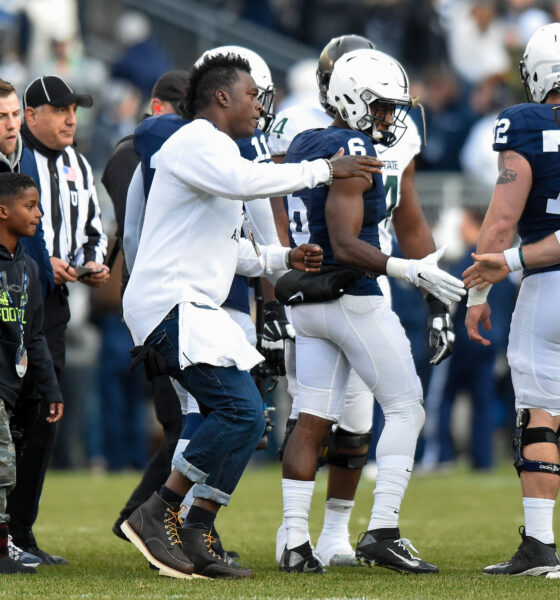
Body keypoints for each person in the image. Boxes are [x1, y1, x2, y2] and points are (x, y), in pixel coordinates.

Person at [120, 52, 384, 580]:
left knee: (246, 417)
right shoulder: (198, 140)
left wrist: (281, 258)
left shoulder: (212, 149)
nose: (258, 108)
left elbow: (226, 246)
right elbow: (248, 183)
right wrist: (324, 169)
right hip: (171, 303)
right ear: (221, 97)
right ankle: (160, 512)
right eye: (250, 96)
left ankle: (195, 529)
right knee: (240, 412)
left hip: (189, 302)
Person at [270, 35, 456, 568]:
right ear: (349, 95)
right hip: (354, 289)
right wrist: (407, 271)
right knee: (405, 406)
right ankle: (383, 531)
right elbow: (349, 241)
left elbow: (406, 217)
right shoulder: (352, 146)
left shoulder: (311, 140)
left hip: (309, 294)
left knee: (315, 418)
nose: (390, 116)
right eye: (380, 105)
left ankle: (300, 543)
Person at [464, 23, 560, 577]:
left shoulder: (525, 122)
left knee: (541, 413)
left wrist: (479, 290)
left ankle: (541, 545)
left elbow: (500, 223)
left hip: (549, 286)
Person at [6, 75, 109, 565]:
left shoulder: (79, 164)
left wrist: (91, 261)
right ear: (32, 116)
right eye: (60, 109)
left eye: (75, 109)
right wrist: (48, 265)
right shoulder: (15, 162)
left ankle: (21, 533)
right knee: (10, 415)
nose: (71, 118)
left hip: (52, 304)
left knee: (44, 415)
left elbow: (93, 227)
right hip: (15, 297)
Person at [102, 69, 190, 540]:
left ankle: (155, 519)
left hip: (169, 296)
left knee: (187, 418)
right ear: (162, 107)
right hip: (155, 300)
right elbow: (137, 235)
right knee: (182, 419)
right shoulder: (133, 154)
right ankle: (146, 517)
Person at [0, 173, 63, 574]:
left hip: (12, 386)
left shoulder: (27, 268)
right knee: (3, 466)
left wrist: (51, 389)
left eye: (39, 205)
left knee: (7, 467)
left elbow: (35, 335)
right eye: (30, 205)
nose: (38, 213)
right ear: (3, 211)